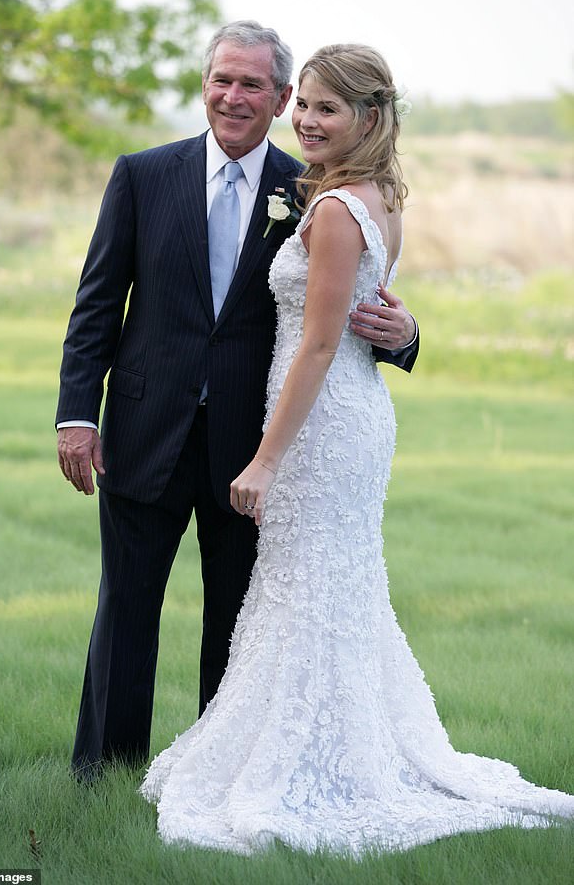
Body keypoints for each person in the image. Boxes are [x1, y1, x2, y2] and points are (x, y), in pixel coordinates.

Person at [140, 43, 574, 854]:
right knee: (319, 591)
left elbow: (316, 344)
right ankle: (329, 745)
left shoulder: (337, 211)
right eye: (300, 103)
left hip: (321, 423)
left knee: (309, 591)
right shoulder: (375, 197)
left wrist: (266, 458)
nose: (304, 119)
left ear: (368, 117)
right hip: (343, 414)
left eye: (325, 108)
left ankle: (315, 762)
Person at [56, 22, 419, 781]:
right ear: (204, 83)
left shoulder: (314, 185)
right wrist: (78, 415)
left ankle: (213, 773)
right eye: (223, 78)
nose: (234, 96)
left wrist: (407, 333)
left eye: (254, 84)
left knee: (236, 621)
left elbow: (348, 310)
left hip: (254, 442)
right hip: (146, 426)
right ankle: (104, 773)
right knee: (124, 610)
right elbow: (97, 305)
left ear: (280, 97)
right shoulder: (142, 175)